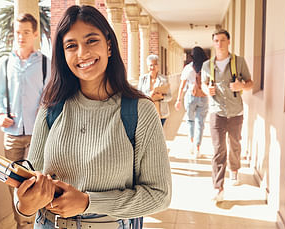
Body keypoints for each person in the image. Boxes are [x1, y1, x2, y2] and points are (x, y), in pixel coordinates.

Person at [13, 5, 171, 228]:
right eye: (71, 45)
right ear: (63, 54)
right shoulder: (50, 109)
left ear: (108, 45)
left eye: (91, 41)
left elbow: (159, 195)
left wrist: (89, 202)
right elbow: (31, 175)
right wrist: (25, 205)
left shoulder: (140, 111)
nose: (82, 53)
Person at [0, 13, 50, 229]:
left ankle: (37, 223)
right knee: (13, 184)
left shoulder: (45, 63)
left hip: (38, 135)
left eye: (26, 32)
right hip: (12, 136)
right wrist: (0, 115)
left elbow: (50, 96)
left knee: (35, 183)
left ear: (35, 34)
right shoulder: (4, 63)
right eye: (17, 32)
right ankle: (22, 225)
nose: (21, 37)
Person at [202, 29, 253, 201]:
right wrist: (206, 90)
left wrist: (242, 86)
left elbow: (250, 83)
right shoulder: (207, 66)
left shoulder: (238, 62)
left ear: (228, 42)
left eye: (222, 40)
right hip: (217, 112)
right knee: (218, 149)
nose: (219, 44)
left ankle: (235, 169)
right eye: (216, 40)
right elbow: (203, 84)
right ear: (214, 43)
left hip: (235, 112)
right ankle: (218, 188)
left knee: (235, 144)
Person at [175, 47, 209, 157]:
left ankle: (191, 144)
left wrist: (178, 100)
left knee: (190, 121)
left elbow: (182, 86)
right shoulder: (207, 67)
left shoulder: (188, 68)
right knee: (200, 123)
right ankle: (198, 148)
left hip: (190, 96)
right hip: (203, 96)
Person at [138, 54, 172, 126]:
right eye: (150, 65)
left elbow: (170, 96)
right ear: (147, 66)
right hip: (147, 112)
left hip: (161, 113)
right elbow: (138, 96)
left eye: (155, 64)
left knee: (159, 135)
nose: (152, 67)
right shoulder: (142, 79)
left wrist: (161, 97)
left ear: (158, 66)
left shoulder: (164, 79)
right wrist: (150, 95)